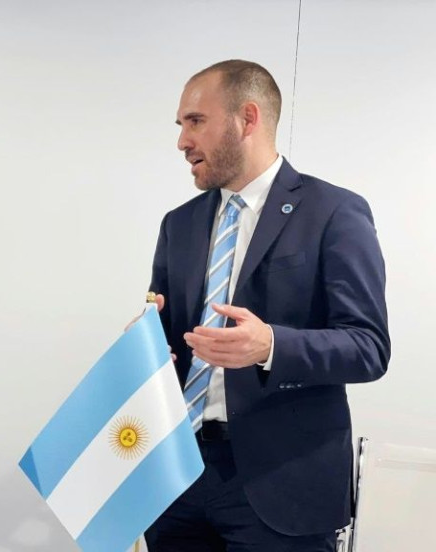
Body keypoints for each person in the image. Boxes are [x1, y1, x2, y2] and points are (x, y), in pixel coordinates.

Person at [144, 60, 390, 551]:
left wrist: (270, 345)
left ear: (247, 119)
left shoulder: (335, 212)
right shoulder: (180, 224)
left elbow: (368, 348)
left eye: (195, 122)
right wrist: (147, 345)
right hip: (177, 481)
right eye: (181, 125)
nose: (182, 141)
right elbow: (168, 334)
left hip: (283, 487)